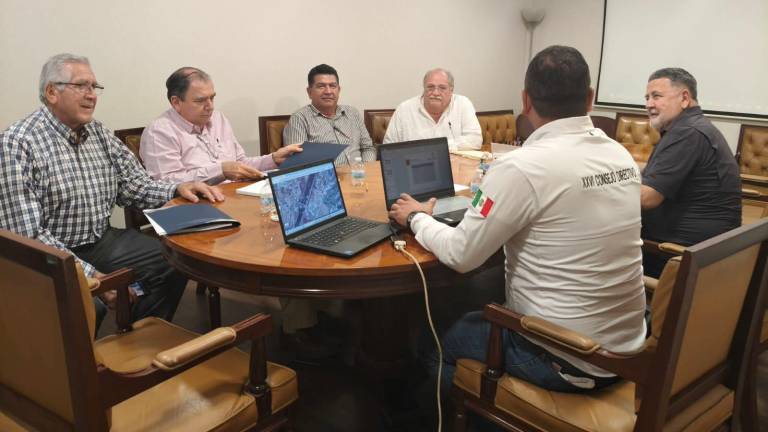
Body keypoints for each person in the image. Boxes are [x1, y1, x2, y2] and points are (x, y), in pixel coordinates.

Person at [389, 45, 646, 394]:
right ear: (590, 99)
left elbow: (462, 255)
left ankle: (479, 416)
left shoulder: (522, 167)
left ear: (526, 101)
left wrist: (417, 217)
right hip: (628, 349)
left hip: (563, 355)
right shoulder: (621, 155)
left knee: (428, 342)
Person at [0, 53, 224, 330]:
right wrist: (94, 278)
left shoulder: (97, 133)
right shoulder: (16, 144)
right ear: (51, 92)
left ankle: (139, 339)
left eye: (94, 87)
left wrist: (177, 187)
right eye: (81, 86)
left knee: (171, 261)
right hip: (50, 254)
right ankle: (80, 371)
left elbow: (134, 186)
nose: (91, 95)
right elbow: (27, 234)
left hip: (100, 240)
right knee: (86, 302)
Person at [641, 68, 741, 278]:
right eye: (647, 97)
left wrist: (600, 187)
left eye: (657, 96)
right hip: (707, 252)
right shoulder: (693, 126)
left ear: (685, 98)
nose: (649, 104)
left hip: (680, 258)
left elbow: (647, 198)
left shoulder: (687, 132)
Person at [140, 67, 302, 184]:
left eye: (212, 98)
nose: (210, 106)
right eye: (200, 100)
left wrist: (273, 159)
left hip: (233, 196)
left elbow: (240, 163)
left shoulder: (218, 119)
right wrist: (221, 170)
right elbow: (165, 183)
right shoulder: (160, 131)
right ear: (176, 102)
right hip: (194, 207)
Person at [283, 64, 375, 165]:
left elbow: (368, 148)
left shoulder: (353, 113)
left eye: (332, 86)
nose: (328, 91)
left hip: (360, 176)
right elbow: (299, 163)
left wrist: (366, 170)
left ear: (339, 90)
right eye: (321, 86)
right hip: (328, 178)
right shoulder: (299, 119)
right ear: (309, 92)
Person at [383, 68, 482, 150]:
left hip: (457, 168)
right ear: (424, 88)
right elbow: (388, 147)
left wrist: (440, 147)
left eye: (442, 88)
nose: (435, 93)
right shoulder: (404, 110)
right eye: (430, 87)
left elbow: (475, 140)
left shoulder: (463, 104)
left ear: (451, 90)